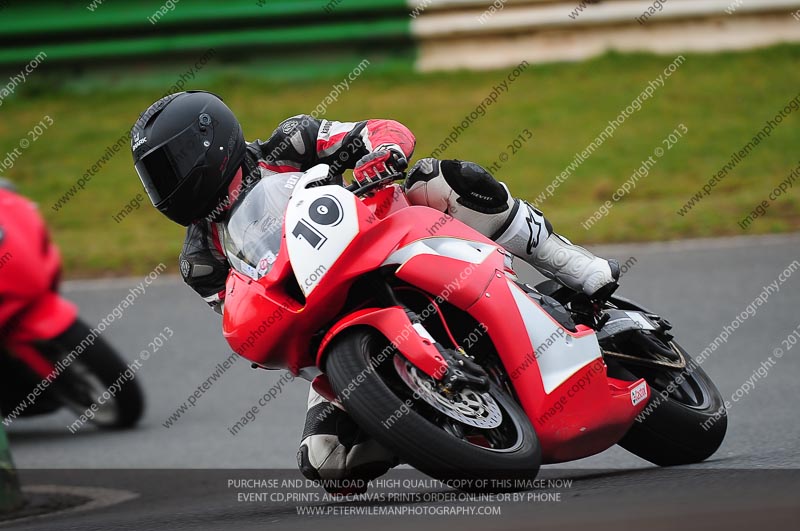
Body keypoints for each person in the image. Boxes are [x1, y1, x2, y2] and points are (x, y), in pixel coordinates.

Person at [131, 90, 620, 490]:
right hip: (327, 327)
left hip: (389, 236)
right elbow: (250, 318)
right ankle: (423, 416)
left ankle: (575, 267)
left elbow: (379, 131)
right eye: (156, 177)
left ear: (208, 141)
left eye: (170, 167)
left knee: (444, 177)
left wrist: (382, 154)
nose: (166, 187)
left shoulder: (291, 142)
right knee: (328, 462)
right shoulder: (201, 260)